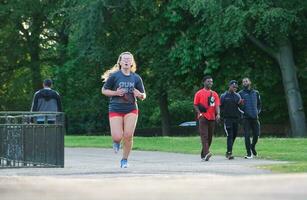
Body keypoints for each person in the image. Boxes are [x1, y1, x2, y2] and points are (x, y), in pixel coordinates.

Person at [101, 51, 146, 168]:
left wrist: (139, 94)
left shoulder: (136, 78)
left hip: (131, 109)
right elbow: (104, 90)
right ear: (120, 62)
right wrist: (116, 93)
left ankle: (124, 160)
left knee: (128, 135)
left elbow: (144, 95)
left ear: (132, 62)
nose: (126, 61)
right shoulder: (114, 76)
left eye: (129, 59)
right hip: (115, 108)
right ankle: (116, 142)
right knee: (117, 136)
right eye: (124, 59)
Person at [193, 75, 220, 161]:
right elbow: (195, 104)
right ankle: (207, 153)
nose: (210, 83)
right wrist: (199, 113)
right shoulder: (199, 93)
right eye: (208, 81)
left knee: (210, 137)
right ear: (204, 82)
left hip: (212, 117)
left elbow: (217, 105)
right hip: (203, 117)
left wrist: (218, 114)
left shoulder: (214, 94)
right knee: (204, 136)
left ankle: (203, 154)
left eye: (211, 81)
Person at [238, 77, 261, 159]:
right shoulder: (240, 94)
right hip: (245, 118)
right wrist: (244, 112)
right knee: (247, 135)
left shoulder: (256, 93)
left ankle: (252, 147)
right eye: (243, 82)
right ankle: (249, 153)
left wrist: (257, 112)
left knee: (257, 135)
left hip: (255, 117)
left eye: (246, 81)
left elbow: (259, 105)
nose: (245, 82)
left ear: (250, 82)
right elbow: (238, 107)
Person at [220, 80, 242, 160]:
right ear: (229, 86)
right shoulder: (223, 96)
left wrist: (241, 104)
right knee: (230, 135)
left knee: (234, 135)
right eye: (233, 87)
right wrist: (220, 116)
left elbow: (240, 107)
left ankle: (228, 151)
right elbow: (220, 107)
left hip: (235, 119)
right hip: (227, 119)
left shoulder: (237, 96)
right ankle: (229, 152)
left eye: (236, 87)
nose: (235, 88)